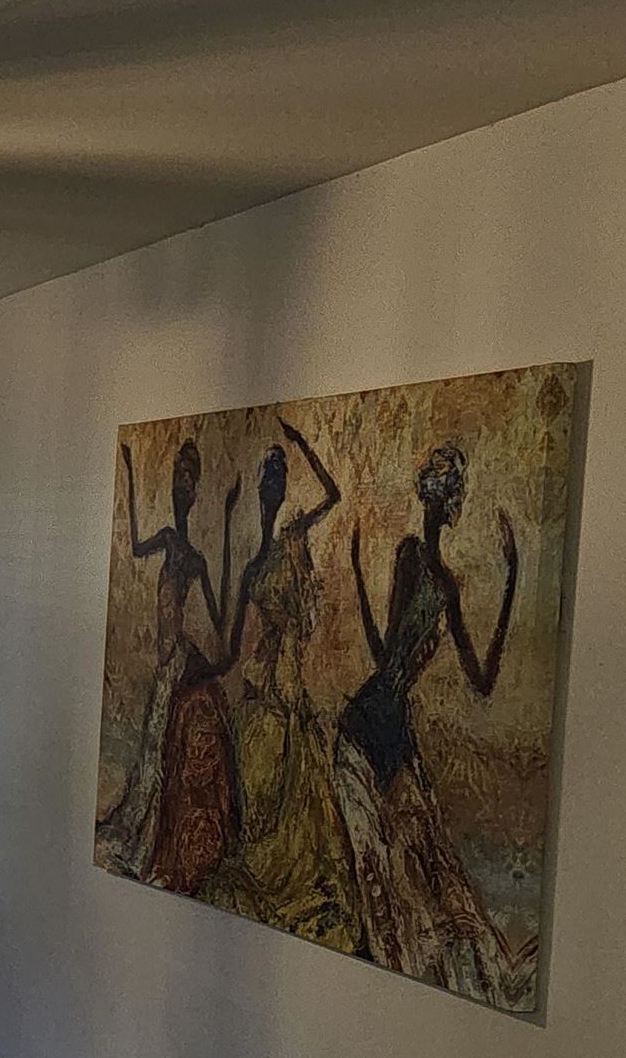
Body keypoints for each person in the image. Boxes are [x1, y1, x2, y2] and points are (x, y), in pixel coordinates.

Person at [330, 439, 531, 1002]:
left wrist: (512, 581)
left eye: (447, 497)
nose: (445, 506)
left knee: (424, 872)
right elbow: (388, 658)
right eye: (444, 495)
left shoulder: (441, 582)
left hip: (391, 732)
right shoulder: (413, 559)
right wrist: (358, 580)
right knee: (385, 870)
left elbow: (481, 680)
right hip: (370, 725)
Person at [207, 422, 361, 949]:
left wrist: (303, 445)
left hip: (288, 676)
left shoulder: (294, 537)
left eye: (279, 478)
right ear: (258, 491)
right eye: (267, 479)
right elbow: (233, 641)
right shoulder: (254, 563)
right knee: (257, 763)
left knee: (295, 775)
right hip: (264, 674)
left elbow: (333, 495)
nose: (272, 487)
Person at [98, 436, 236, 880]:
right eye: (178, 476)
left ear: (194, 493)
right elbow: (136, 547)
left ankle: (156, 843)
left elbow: (218, 616)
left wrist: (230, 523)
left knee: (160, 752)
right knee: (152, 750)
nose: (182, 485)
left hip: (179, 658)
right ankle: (144, 833)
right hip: (168, 660)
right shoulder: (170, 540)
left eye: (188, 479)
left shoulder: (193, 558)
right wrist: (129, 474)